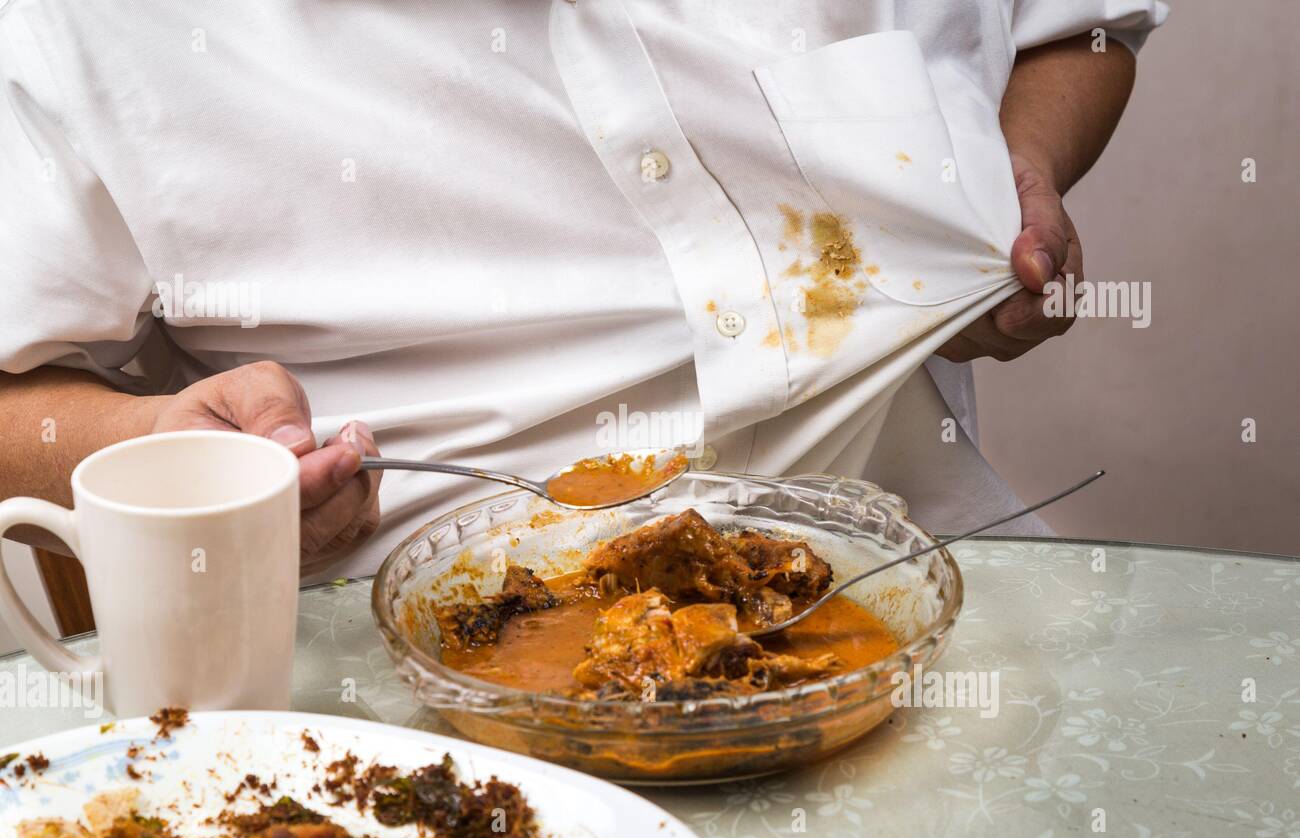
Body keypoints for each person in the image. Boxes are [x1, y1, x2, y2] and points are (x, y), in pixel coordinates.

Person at [0, 1, 1166, 582]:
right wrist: (168, 450)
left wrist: (1028, 165)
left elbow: (1082, 29)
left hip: (924, 571)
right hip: (391, 680)